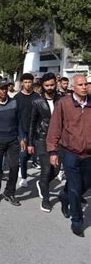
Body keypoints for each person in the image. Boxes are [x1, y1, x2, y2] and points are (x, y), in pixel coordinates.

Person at [46, 74, 90, 237]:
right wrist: (52, 151)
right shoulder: (63, 104)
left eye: (86, 84)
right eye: (80, 84)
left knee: (85, 184)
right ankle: (77, 221)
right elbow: (55, 128)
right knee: (74, 187)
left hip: (89, 154)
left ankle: (64, 196)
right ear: (73, 87)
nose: (84, 87)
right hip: (70, 152)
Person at [0, 78, 25, 206]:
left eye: (6, 88)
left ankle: (9, 192)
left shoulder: (14, 103)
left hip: (13, 141)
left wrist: (22, 138)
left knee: (14, 166)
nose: (4, 90)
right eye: (2, 88)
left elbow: (19, 123)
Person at [27, 73, 61, 213]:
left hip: (59, 139)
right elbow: (32, 123)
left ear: (56, 84)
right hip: (42, 139)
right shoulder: (36, 102)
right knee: (46, 169)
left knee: (56, 169)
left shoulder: (62, 100)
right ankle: (45, 200)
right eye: (46, 85)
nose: (50, 88)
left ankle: (42, 183)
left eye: (52, 85)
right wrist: (30, 142)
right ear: (42, 86)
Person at [14, 73, 39, 188]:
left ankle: (22, 166)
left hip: (34, 131)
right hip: (22, 130)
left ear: (32, 82)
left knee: (31, 154)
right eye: (26, 82)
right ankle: (24, 177)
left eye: (30, 82)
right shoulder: (17, 98)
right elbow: (14, 116)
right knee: (23, 155)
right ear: (22, 83)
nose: (28, 84)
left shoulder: (37, 97)